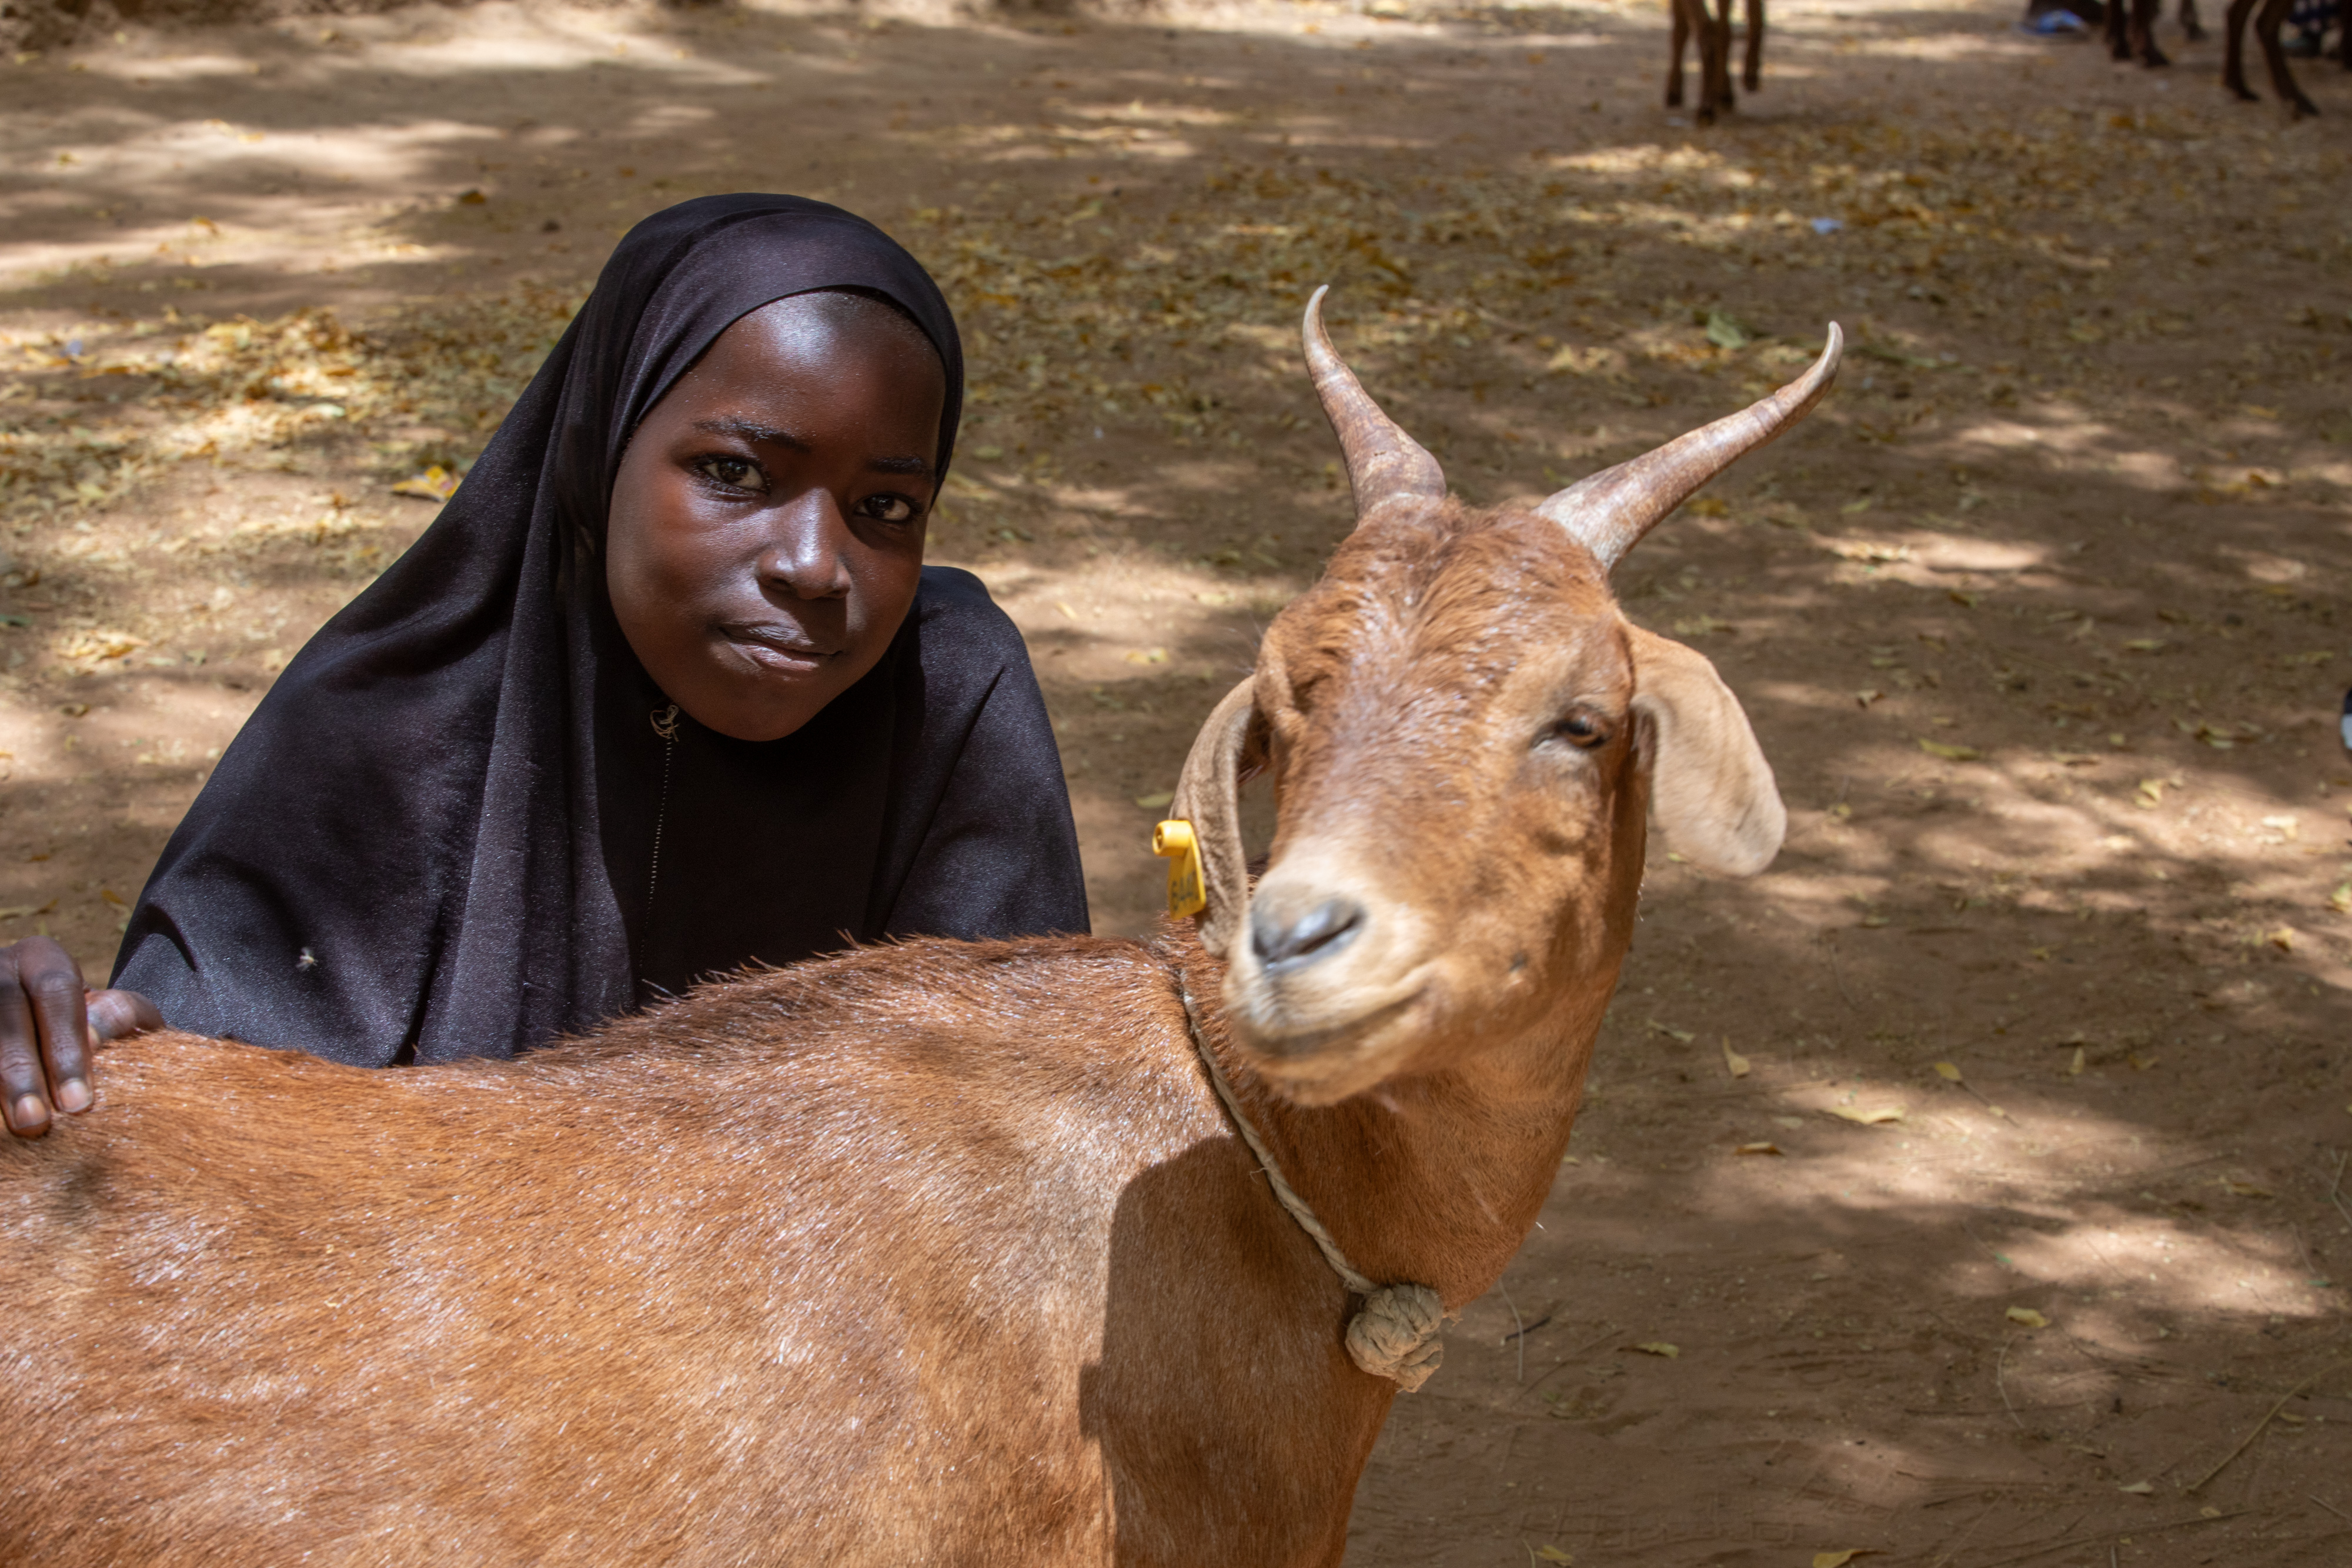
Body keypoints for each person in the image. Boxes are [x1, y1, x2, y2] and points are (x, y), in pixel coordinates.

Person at [0, 194, 1087, 1138]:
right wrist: (76, 1058)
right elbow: (197, 1099)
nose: (815, 566)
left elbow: (1023, 1126)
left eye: (885, 508)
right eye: (736, 473)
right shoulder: (383, 734)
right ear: (596, 456)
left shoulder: (948, 698)